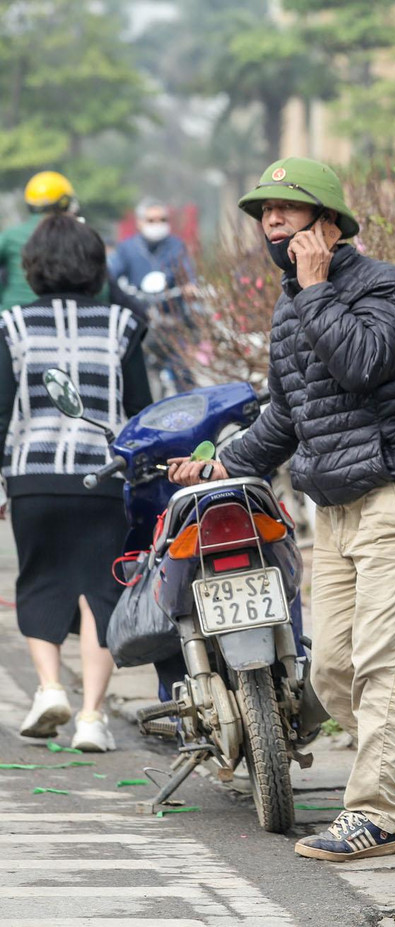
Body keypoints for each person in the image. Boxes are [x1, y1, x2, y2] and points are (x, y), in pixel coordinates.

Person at [168, 157, 395, 862]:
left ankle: (375, 816)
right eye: (263, 212)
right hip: (332, 508)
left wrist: (312, 288)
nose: (271, 222)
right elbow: (288, 415)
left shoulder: (381, 285)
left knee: (381, 666)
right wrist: (224, 461)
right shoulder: (290, 305)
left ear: (328, 222)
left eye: (286, 208)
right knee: (330, 669)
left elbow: (361, 362)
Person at [5, 214, 152, 751]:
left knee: (40, 582)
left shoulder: (12, 326)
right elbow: (139, 410)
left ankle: (48, 689)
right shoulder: (122, 325)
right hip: (103, 480)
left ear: (34, 266)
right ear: (96, 266)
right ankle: (91, 717)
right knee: (100, 593)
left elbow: (1, 412)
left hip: (32, 477)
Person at [109, 198, 198, 393]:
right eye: (151, 220)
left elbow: (189, 275)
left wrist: (191, 288)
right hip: (141, 321)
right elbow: (112, 278)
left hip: (172, 320)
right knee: (135, 374)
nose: (157, 224)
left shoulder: (176, 246)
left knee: (183, 372)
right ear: (140, 222)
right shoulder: (126, 249)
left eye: (162, 219)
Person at [0, 172, 79, 309]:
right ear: (64, 202)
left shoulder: (10, 236)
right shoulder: (77, 235)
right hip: (58, 315)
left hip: (11, 314)